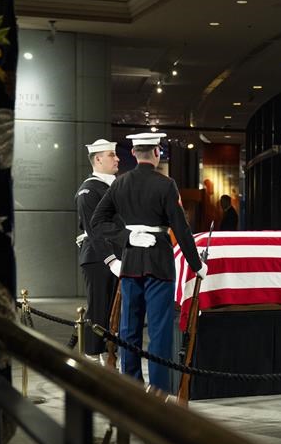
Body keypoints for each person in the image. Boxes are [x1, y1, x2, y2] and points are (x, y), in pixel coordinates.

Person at [90, 132, 206, 394]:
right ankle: (158, 388)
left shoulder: (119, 184)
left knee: (128, 327)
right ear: (156, 153)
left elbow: (97, 222)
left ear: (133, 153)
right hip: (159, 263)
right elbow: (181, 228)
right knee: (160, 328)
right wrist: (196, 264)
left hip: (131, 260)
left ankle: (130, 385)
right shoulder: (166, 185)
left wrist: (127, 237)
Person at [75, 138, 120, 365]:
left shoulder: (114, 186)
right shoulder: (89, 189)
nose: (117, 158)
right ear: (98, 159)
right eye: (111, 155)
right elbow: (94, 229)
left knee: (114, 310)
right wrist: (110, 259)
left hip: (116, 256)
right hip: (97, 258)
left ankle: (110, 354)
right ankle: (94, 357)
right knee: (99, 308)